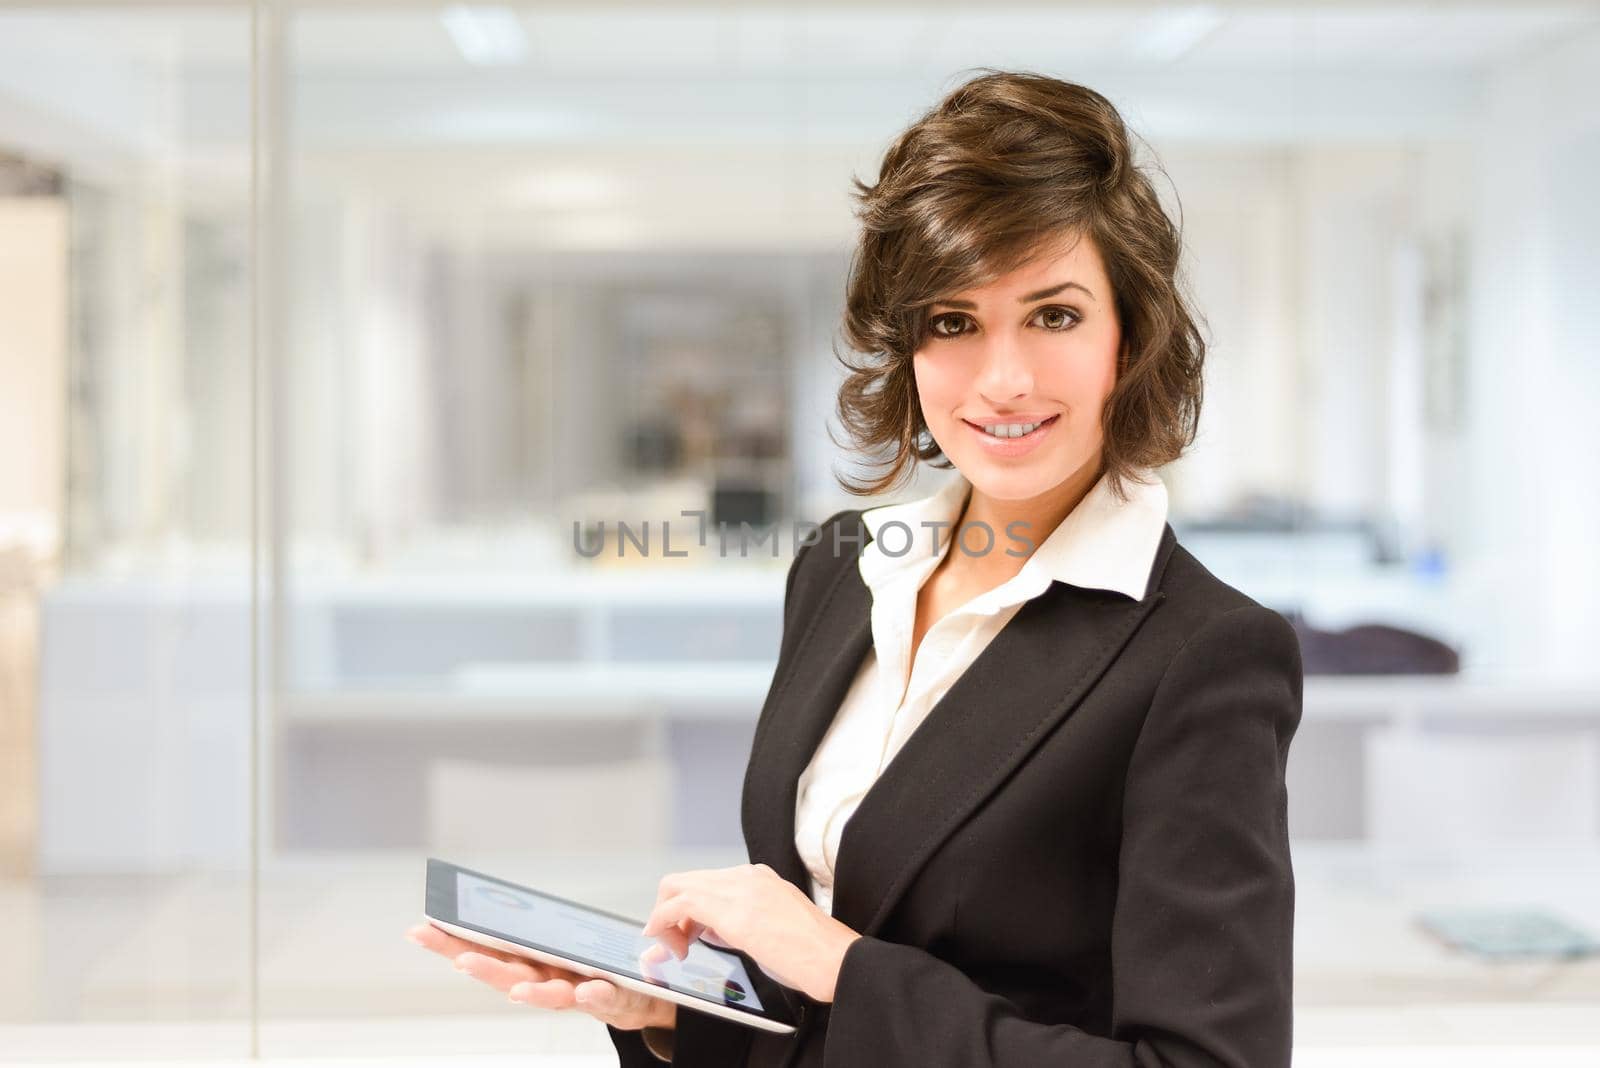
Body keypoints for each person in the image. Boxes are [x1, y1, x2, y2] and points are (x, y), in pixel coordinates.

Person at [408, 68, 1303, 1068]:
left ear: (1127, 339)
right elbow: (824, 994)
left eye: (1052, 315)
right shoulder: (843, 569)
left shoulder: (1202, 652)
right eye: (953, 322)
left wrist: (841, 966)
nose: (1002, 379)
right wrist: (673, 1011)